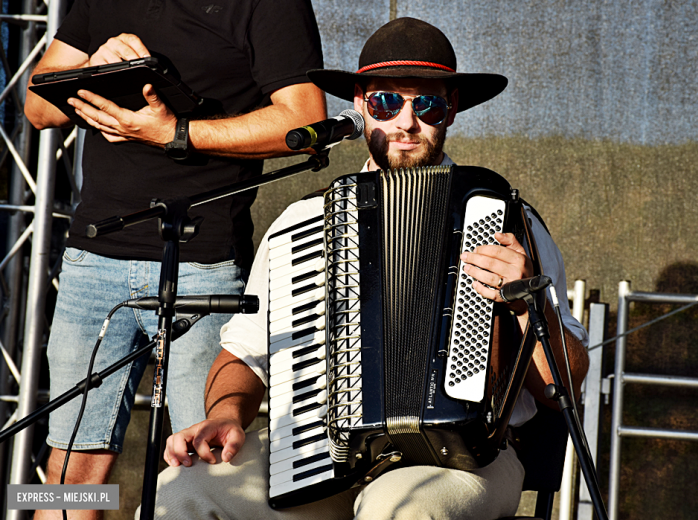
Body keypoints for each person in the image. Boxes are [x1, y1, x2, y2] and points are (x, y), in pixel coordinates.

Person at [152, 17, 590, 520]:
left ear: (452, 112)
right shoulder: (303, 222)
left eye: (427, 104)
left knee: (396, 509)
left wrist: (524, 303)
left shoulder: (511, 221)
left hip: (470, 458)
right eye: (387, 102)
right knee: (181, 491)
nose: (406, 122)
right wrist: (226, 414)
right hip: (318, 454)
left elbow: (567, 387)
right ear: (360, 105)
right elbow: (243, 353)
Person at [24, 1, 326, 518]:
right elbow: (37, 106)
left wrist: (175, 133)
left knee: (211, 463)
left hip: (205, 263)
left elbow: (305, 120)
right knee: (70, 467)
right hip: (90, 259)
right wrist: (95, 66)